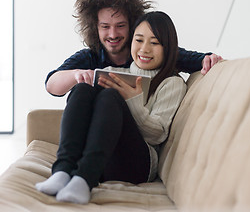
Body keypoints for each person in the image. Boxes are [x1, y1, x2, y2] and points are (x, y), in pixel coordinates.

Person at [36, 11, 187, 204]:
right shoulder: (112, 72)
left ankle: (85, 178)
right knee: (82, 88)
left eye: (155, 43)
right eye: (139, 40)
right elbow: (55, 85)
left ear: (168, 48)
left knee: (110, 96)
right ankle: (63, 171)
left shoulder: (172, 83)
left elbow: (156, 135)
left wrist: (133, 100)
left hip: (139, 166)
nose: (144, 49)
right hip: (105, 161)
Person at [45, 0, 222, 97]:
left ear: (132, 26)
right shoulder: (90, 57)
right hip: (98, 126)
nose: (113, 34)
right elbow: (51, 84)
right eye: (105, 27)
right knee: (80, 91)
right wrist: (76, 75)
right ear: (95, 28)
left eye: (120, 25)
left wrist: (209, 59)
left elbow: (195, 59)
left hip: (133, 131)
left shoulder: (147, 53)